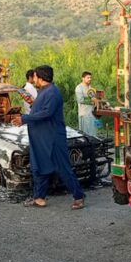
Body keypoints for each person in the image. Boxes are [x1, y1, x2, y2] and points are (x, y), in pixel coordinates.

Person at [12, 65, 85, 209]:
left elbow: (47, 113)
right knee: (39, 166)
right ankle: (39, 198)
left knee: (63, 167)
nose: (34, 80)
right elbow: (41, 109)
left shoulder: (52, 92)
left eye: (35, 77)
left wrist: (24, 119)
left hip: (52, 138)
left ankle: (79, 196)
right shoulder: (44, 91)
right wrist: (32, 103)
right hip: (41, 137)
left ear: (40, 77)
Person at [75, 71, 97, 137]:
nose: (90, 79)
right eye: (88, 77)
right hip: (84, 114)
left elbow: (94, 98)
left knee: (93, 132)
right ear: (83, 78)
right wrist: (92, 101)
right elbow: (80, 100)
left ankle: (94, 145)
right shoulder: (79, 87)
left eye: (90, 77)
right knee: (85, 134)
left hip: (92, 113)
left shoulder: (90, 88)